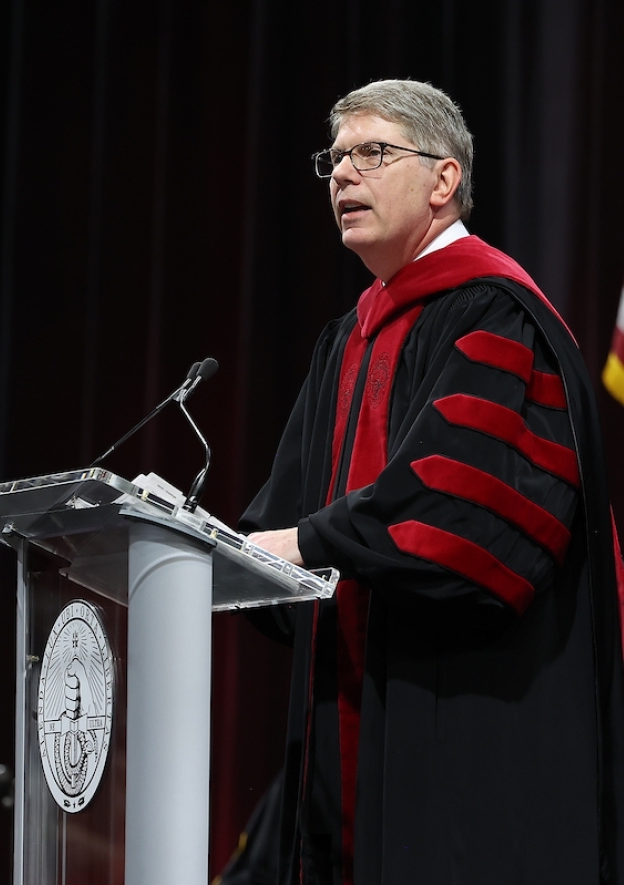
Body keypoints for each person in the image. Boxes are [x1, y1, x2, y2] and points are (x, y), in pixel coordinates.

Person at [239, 79, 624, 885]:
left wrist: (307, 543)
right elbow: (277, 522)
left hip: (468, 739)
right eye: (334, 158)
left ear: (444, 180)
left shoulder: (498, 316)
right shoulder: (346, 340)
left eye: (372, 153)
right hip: (348, 758)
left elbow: (459, 516)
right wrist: (222, 556)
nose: (343, 174)